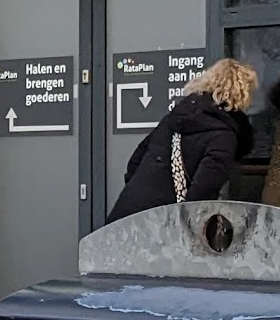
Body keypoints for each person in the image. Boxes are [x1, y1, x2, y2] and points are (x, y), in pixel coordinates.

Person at [108, 58, 258, 220]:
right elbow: (203, 192)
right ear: (243, 94)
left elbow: (134, 163)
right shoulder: (223, 135)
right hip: (163, 224)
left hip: (127, 215)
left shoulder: (175, 118)